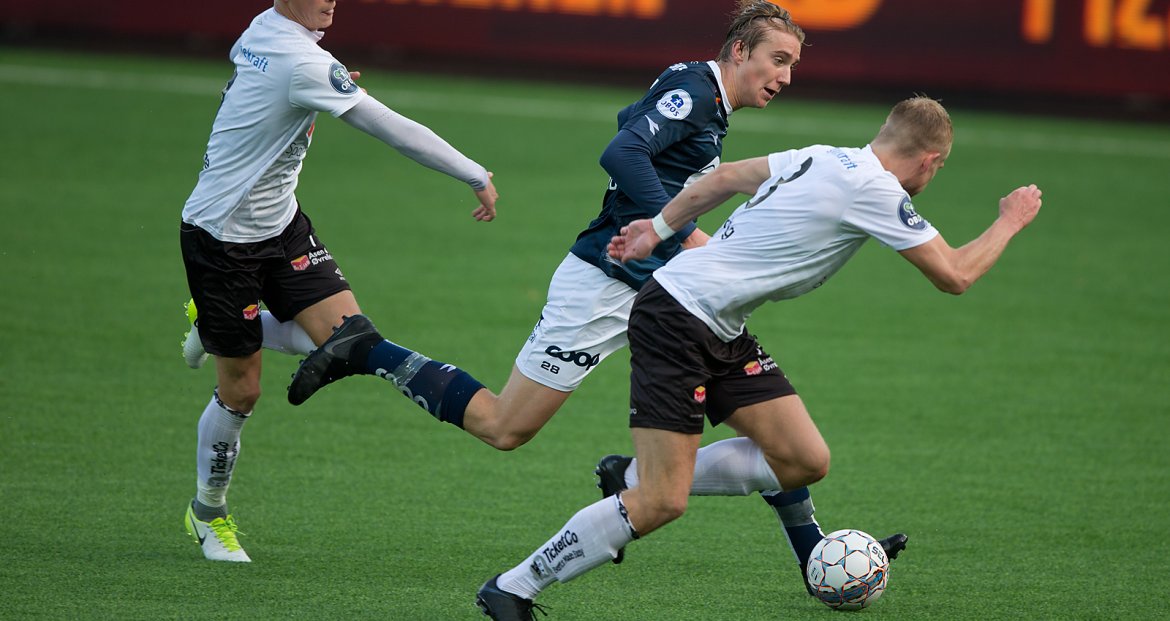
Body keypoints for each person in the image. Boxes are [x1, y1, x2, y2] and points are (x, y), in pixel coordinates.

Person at [274, 0, 887, 585]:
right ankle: (366, 349)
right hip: (606, 283)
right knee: (505, 426)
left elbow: (634, 123)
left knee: (781, 434)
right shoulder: (699, 92)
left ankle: (813, 556)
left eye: (793, 66)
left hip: (677, 300)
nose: (785, 76)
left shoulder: (704, 95)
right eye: (777, 60)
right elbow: (623, 149)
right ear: (737, 50)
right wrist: (680, 232)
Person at [472, 95, 1043, 618]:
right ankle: (514, 587)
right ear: (931, 159)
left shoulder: (824, 156)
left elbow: (722, 178)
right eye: (937, 168)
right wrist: (1010, 219)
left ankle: (626, 473)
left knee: (801, 459)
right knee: (660, 503)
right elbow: (955, 275)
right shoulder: (876, 189)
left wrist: (658, 229)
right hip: (677, 317)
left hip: (716, 322)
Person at [179, 0, 498, 563]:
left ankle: (217, 328)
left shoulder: (270, 30)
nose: (330, 0)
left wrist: (322, 79)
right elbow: (391, 129)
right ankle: (208, 512)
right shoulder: (301, 60)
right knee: (243, 390)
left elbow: (277, 82)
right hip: (221, 239)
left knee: (347, 337)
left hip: (282, 225)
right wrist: (474, 172)